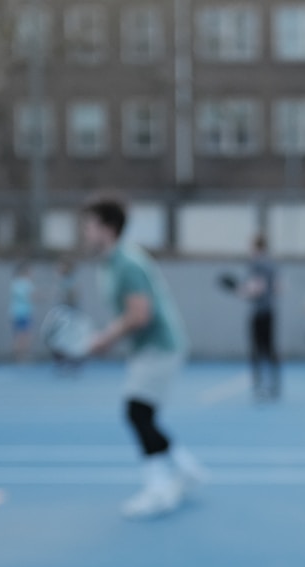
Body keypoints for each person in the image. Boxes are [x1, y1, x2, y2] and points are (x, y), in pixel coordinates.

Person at [81, 195, 207, 519]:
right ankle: (185, 468)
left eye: (90, 225)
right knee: (143, 415)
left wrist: (104, 338)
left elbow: (140, 314)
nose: (85, 231)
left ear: (107, 228)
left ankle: (159, 490)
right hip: (147, 348)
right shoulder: (111, 263)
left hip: (161, 345)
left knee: (136, 412)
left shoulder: (127, 263)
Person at [243, 235, 280, 399]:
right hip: (270, 310)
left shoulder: (257, 264)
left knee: (257, 350)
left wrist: (243, 291)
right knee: (270, 348)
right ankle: (273, 385)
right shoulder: (272, 264)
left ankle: (259, 385)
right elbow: (279, 287)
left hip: (259, 312)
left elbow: (257, 288)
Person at [9, 261, 35, 362]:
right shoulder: (25, 283)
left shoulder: (14, 283)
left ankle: (18, 356)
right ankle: (22, 356)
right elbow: (31, 296)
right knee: (24, 336)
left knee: (18, 336)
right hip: (24, 313)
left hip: (15, 313)